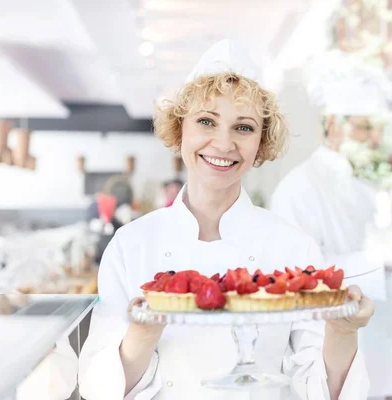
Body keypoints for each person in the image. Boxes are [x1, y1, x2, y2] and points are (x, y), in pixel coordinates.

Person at [78, 39, 374, 400]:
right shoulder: (130, 244)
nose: (223, 143)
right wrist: (142, 333)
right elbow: (97, 390)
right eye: (206, 121)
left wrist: (343, 332)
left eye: (244, 127)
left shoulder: (295, 247)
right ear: (179, 127)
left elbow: (321, 391)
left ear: (262, 142)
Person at [270, 107, 392, 399]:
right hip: (325, 369)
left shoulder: (368, 186)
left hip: (381, 358)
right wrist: (384, 259)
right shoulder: (296, 190)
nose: (376, 138)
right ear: (332, 124)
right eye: (366, 127)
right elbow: (295, 278)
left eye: (380, 128)